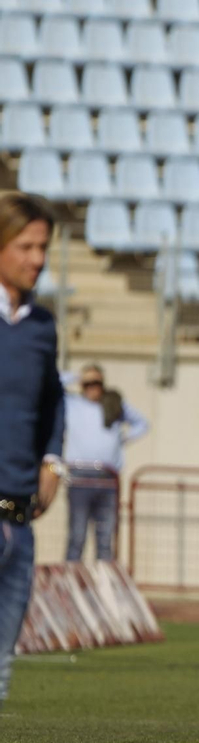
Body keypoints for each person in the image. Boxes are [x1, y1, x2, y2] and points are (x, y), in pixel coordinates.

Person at [0, 194, 64, 709]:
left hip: (19, 522)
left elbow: (52, 401)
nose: (38, 259)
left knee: (2, 667)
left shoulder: (42, 326)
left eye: (43, 247)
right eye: (25, 246)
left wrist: (52, 459)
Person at [61, 365, 147, 562]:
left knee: (105, 539)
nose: (93, 387)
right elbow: (51, 382)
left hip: (107, 479)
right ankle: (72, 576)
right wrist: (77, 376)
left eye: (97, 383)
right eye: (88, 383)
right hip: (80, 478)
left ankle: (103, 578)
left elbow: (142, 423)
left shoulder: (113, 404)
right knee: (77, 536)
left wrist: (123, 438)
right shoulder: (72, 403)